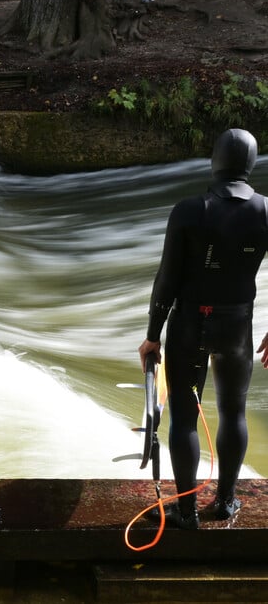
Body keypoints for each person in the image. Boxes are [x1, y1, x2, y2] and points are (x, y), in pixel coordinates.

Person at [138, 128, 263, 530]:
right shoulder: (265, 210)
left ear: (215, 162)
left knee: (185, 419)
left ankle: (187, 511)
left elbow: (167, 279)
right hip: (238, 325)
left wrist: (153, 335)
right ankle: (226, 502)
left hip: (191, 323)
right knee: (233, 411)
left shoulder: (190, 209)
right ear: (251, 164)